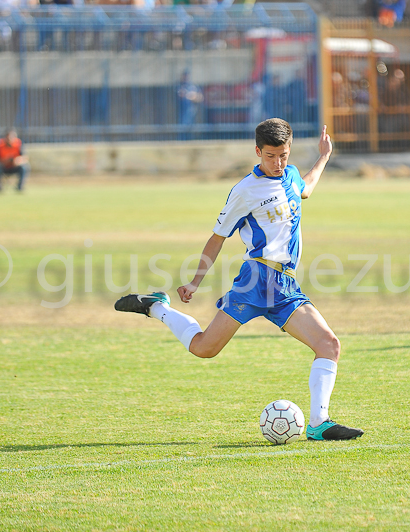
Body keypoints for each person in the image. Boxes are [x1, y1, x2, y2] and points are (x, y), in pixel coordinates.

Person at [115, 119, 363, 442]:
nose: (278, 163)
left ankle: (318, 423)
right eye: (271, 156)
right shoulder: (244, 191)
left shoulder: (290, 175)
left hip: (285, 286)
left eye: (284, 156)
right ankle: (157, 308)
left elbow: (307, 189)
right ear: (258, 151)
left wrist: (324, 157)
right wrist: (193, 282)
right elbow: (217, 238)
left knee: (329, 345)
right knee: (204, 348)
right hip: (255, 280)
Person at [0, 127, 29, 192]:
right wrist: (5, 161)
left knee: (24, 167)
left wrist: (17, 161)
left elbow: (25, 158)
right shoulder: (0, 145)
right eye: (8, 137)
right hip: (4, 167)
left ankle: (20, 186)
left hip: (14, 166)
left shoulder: (18, 144)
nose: (10, 139)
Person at [176, 69, 203, 141]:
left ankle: (192, 141)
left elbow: (200, 97)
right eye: (184, 76)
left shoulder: (193, 86)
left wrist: (190, 96)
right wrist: (191, 96)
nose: (185, 77)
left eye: (187, 76)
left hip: (193, 111)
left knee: (192, 129)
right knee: (183, 128)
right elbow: (180, 95)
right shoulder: (180, 85)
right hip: (182, 111)